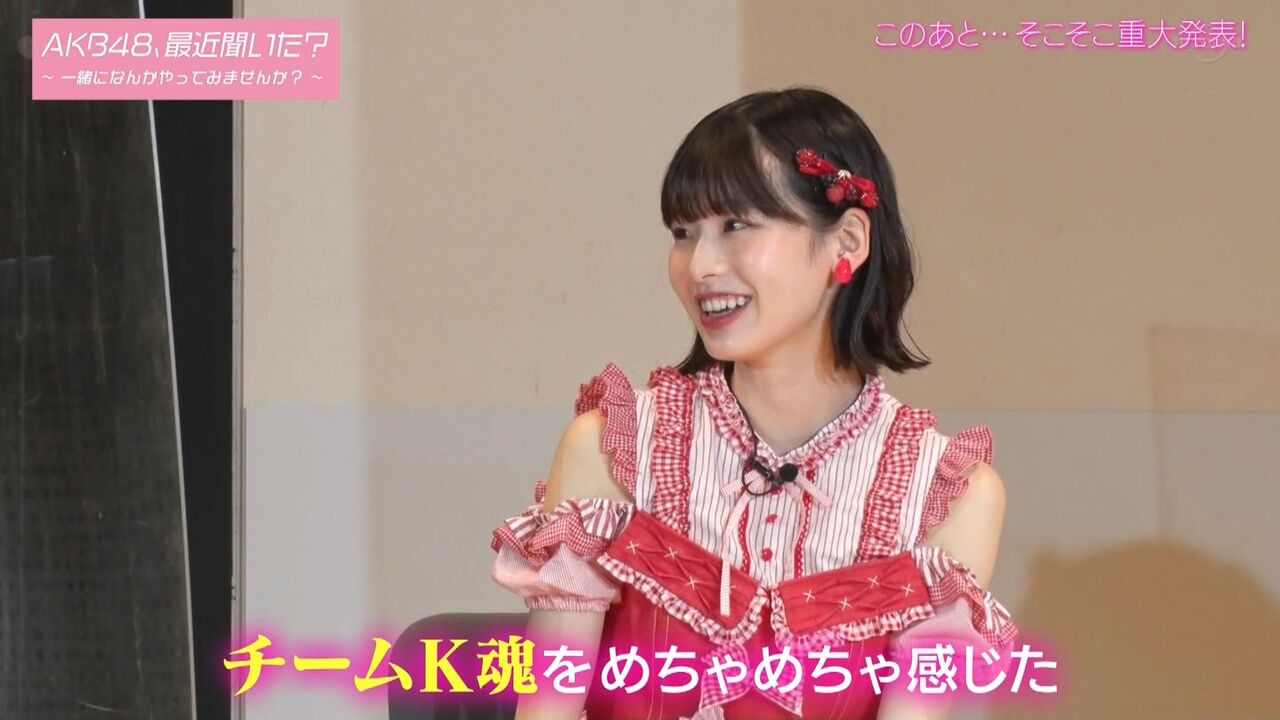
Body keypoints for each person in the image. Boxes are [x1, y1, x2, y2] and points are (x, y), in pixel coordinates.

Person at [489, 87, 1018, 720]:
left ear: (847, 241)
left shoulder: (945, 498)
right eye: (684, 233)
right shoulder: (612, 451)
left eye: (736, 225)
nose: (699, 266)